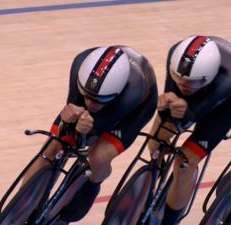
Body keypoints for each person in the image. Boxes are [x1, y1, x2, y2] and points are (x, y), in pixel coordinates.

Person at [25, 46, 158, 224]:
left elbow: (99, 127)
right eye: (87, 96)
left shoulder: (134, 90)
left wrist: (86, 129)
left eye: (98, 100)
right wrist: (70, 118)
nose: (90, 103)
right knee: (53, 146)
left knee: (98, 156)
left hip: (132, 111)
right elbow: (72, 107)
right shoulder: (80, 63)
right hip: (99, 91)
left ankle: (91, 185)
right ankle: (21, 208)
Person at [147, 35, 231, 225]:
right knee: (156, 142)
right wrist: (167, 107)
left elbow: (195, 113)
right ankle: (153, 177)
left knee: (185, 162)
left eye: (189, 83)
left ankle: (170, 221)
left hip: (224, 102)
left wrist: (184, 111)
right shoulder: (176, 56)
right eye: (179, 79)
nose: (183, 85)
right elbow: (168, 112)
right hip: (198, 81)